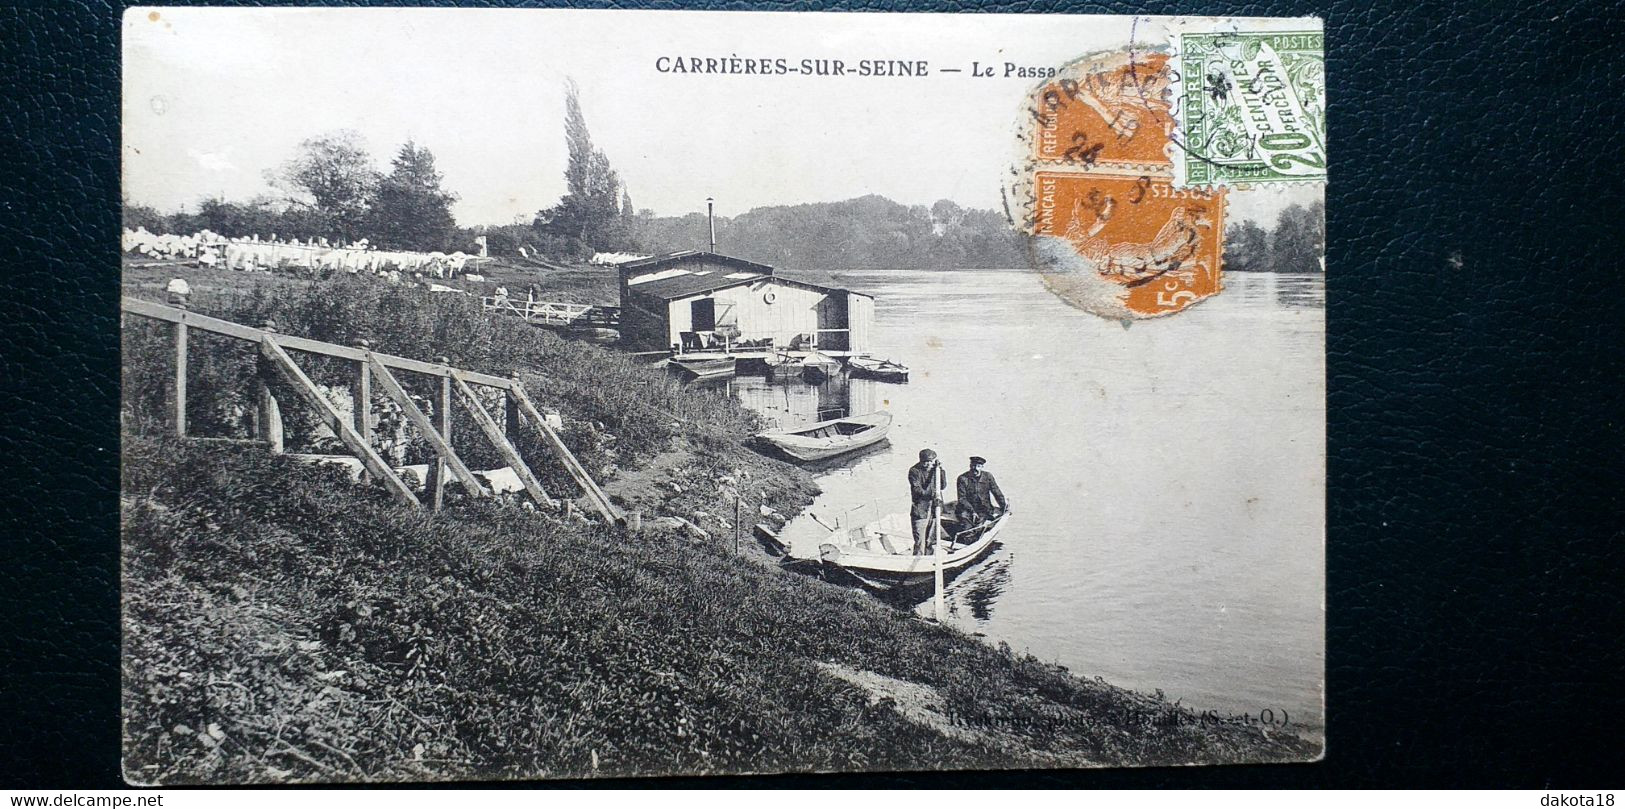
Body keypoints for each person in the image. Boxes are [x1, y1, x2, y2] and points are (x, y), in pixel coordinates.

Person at [955, 456, 1009, 534]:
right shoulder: (962, 478)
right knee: (966, 527)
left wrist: (1004, 507)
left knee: (978, 527)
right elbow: (962, 498)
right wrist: (972, 511)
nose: (975, 468)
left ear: (982, 467)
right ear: (970, 465)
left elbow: (996, 492)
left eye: (978, 466)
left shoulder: (988, 476)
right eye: (973, 465)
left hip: (983, 509)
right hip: (966, 509)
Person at [907, 449, 946, 555]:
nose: (927, 464)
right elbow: (918, 490)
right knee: (919, 540)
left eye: (930, 461)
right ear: (920, 461)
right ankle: (918, 560)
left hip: (934, 508)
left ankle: (929, 558)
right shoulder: (914, 471)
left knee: (930, 538)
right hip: (920, 509)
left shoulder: (936, 470)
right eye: (925, 461)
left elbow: (942, 486)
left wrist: (940, 471)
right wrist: (933, 495)